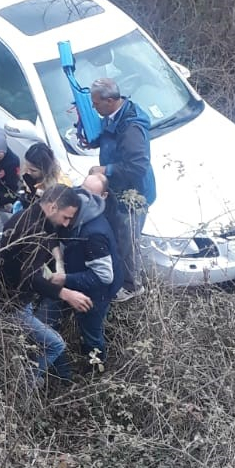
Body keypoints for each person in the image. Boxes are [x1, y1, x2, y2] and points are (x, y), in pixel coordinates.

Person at [0, 184, 92, 384]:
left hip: (11, 295)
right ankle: (24, 386)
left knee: (35, 340)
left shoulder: (26, 215)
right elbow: (31, 278)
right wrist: (66, 293)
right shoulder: (34, 234)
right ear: (53, 207)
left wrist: (58, 261)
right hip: (10, 304)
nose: (66, 224)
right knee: (56, 344)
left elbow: (50, 235)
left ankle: (57, 378)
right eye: (66, 217)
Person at [40, 173, 124, 373]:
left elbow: (104, 277)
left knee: (91, 332)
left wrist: (65, 278)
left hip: (98, 291)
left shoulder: (94, 234)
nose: (64, 224)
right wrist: (58, 257)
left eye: (67, 220)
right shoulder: (71, 204)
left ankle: (96, 370)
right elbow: (53, 232)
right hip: (76, 274)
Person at [85, 78, 156, 301]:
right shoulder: (114, 114)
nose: (94, 107)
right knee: (117, 234)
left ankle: (131, 286)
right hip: (118, 189)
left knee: (128, 241)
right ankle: (117, 275)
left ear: (109, 101)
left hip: (133, 195)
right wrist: (96, 141)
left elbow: (137, 167)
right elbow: (111, 136)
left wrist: (105, 169)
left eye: (96, 103)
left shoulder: (132, 127)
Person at [20, 142, 71, 207]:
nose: (28, 172)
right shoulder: (28, 172)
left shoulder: (59, 186)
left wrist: (41, 194)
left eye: (33, 170)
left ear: (45, 170)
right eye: (27, 166)